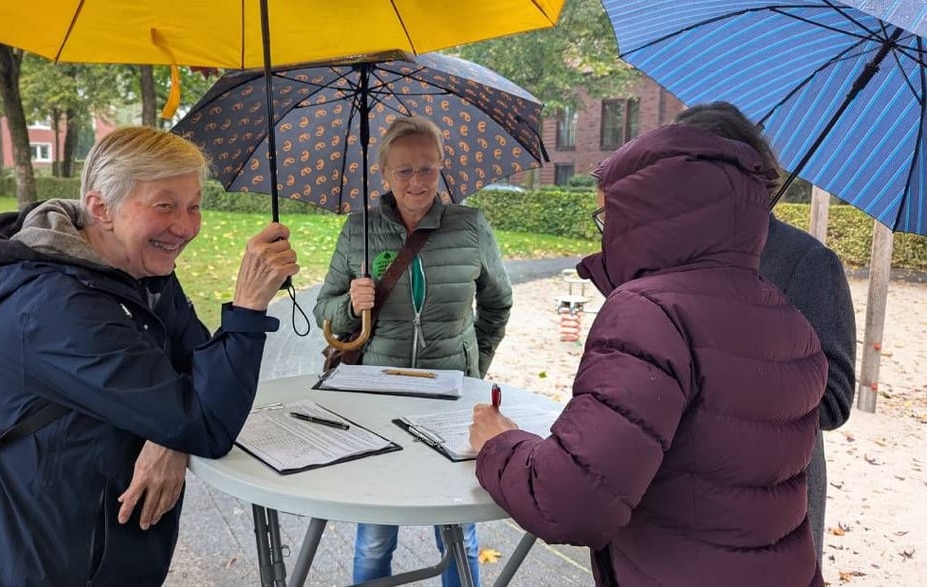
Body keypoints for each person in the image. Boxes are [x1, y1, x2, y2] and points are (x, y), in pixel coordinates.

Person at [470, 123, 828, 585]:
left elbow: (570, 502)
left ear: (646, 214)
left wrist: (500, 443)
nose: (604, 235)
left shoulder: (649, 313)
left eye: (608, 216)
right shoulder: (787, 319)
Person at [0, 126, 299, 585]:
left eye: (194, 206)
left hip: (110, 553)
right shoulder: (54, 307)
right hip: (45, 566)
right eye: (165, 205)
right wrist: (249, 308)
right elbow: (206, 422)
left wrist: (167, 435)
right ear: (101, 209)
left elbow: (194, 378)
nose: (186, 226)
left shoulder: (140, 271)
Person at [314, 115, 513, 587]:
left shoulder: (470, 226)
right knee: (376, 533)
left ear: (441, 167)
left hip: (452, 398)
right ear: (383, 173)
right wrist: (350, 304)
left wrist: (473, 367)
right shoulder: (359, 229)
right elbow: (326, 309)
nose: (417, 181)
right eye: (404, 170)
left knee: (458, 530)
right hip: (379, 397)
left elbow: (497, 302)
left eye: (427, 168)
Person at [673, 101, 857, 562]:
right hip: (682, 501)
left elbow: (834, 401)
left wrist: (739, 362)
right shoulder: (678, 251)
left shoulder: (809, 264)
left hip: (772, 515)